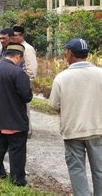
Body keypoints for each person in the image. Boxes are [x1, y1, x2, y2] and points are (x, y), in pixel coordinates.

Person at [49, 38, 102, 196]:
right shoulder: (100, 73)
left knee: (77, 170)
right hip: (98, 128)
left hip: (72, 131)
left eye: (66, 51)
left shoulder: (62, 77)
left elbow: (53, 105)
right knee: (100, 170)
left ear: (70, 53)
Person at [0, 43, 32, 186]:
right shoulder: (18, 73)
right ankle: (17, 179)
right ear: (18, 56)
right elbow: (27, 96)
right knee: (17, 150)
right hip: (15, 119)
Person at [13, 25, 37, 138]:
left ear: (22, 35)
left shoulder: (27, 49)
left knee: (25, 107)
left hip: (24, 81)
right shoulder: (16, 47)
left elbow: (32, 68)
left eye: (16, 36)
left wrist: (28, 81)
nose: (14, 38)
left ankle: (27, 130)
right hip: (17, 81)